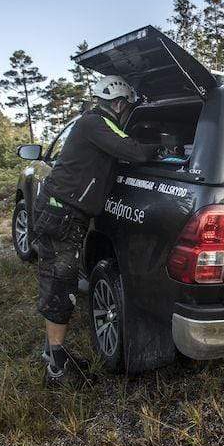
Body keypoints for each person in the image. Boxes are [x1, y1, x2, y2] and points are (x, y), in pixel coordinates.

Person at [32, 75, 157, 388]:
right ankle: (57, 368)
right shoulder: (96, 122)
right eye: (127, 108)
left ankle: (54, 354)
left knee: (57, 281)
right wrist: (164, 147)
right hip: (62, 213)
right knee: (61, 285)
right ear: (117, 103)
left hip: (59, 211)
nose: (127, 114)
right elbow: (133, 150)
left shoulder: (91, 123)